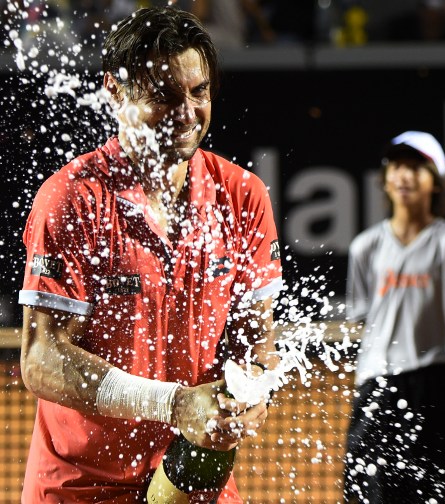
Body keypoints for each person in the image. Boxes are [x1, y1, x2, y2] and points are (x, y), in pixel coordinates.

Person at [18, 7, 283, 502]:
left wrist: (250, 394)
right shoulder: (71, 198)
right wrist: (176, 403)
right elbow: (41, 358)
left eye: (199, 91)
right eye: (164, 95)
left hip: (192, 480)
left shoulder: (244, 195)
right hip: (81, 488)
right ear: (115, 90)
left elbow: (256, 343)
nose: (187, 112)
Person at [343, 131, 445, 503]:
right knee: (372, 494)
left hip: (438, 388)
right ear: (386, 179)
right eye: (398, 167)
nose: (404, 176)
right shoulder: (365, 247)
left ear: (435, 182)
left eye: (416, 168)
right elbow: (363, 318)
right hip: (378, 386)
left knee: (441, 493)